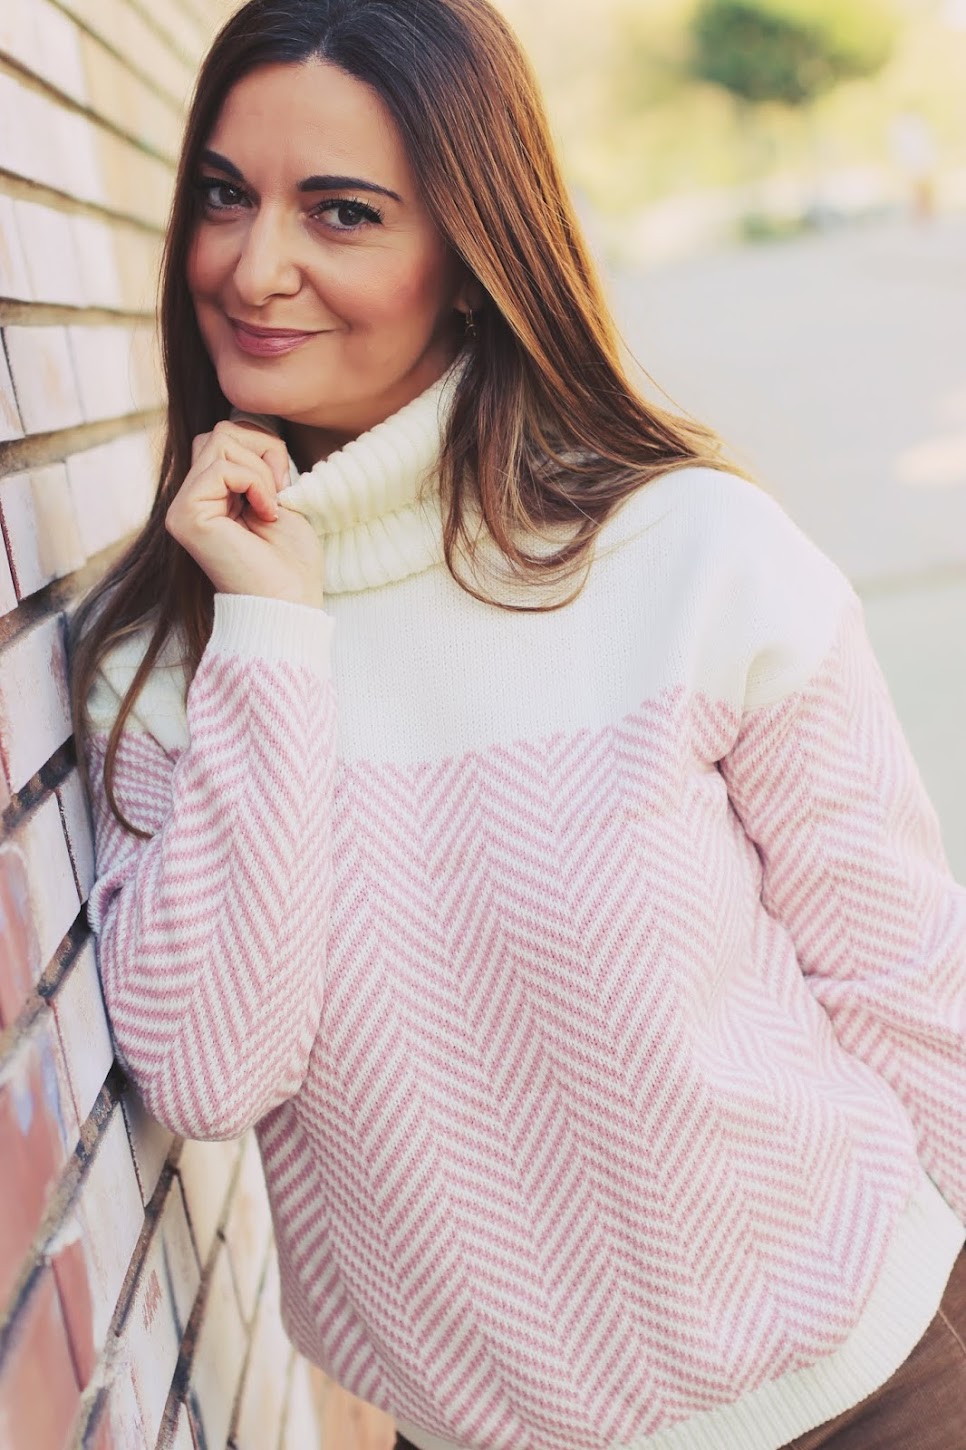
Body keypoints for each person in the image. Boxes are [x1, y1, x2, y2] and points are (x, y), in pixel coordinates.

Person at [68, 2, 966, 1447]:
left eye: (341, 212)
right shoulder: (175, 659)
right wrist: (276, 634)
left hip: (873, 1390)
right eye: (224, 195)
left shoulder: (693, 554)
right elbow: (213, 1069)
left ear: (475, 259)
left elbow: (907, 981)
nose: (253, 265)